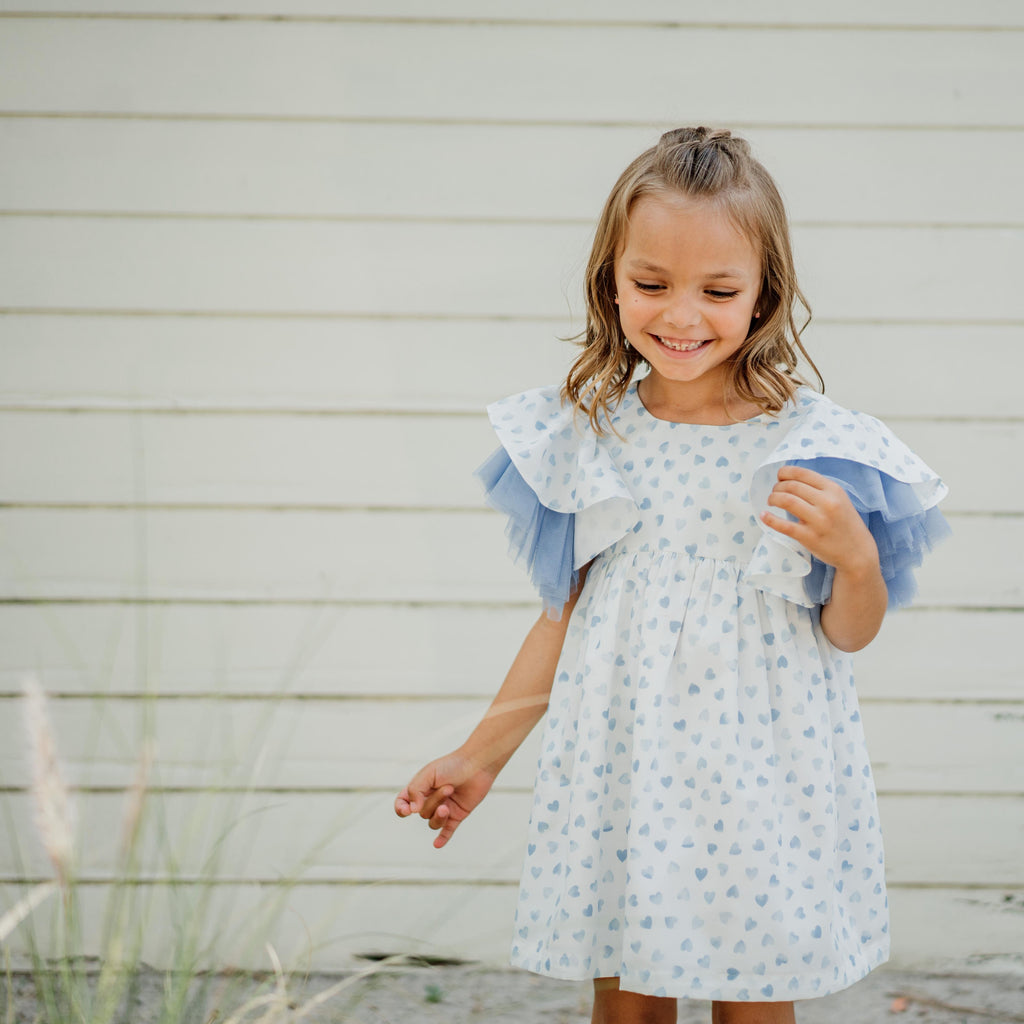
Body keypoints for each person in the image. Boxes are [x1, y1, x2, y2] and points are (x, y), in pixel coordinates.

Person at [394, 127, 949, 1024]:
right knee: (628, 993)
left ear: (765, 293)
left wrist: (854, 557)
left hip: (762, 774)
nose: (682, 316)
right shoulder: (589, 435)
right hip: (627, 763)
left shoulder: (817, 447)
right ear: (609, 280)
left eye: (719, 290)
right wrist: (479, 753)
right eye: (650, 284)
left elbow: (848, 631)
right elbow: (561, 618)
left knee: (752, 995)